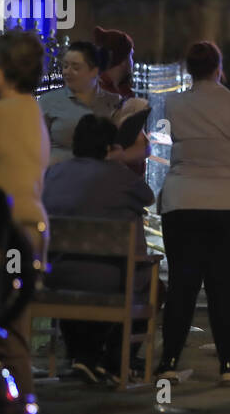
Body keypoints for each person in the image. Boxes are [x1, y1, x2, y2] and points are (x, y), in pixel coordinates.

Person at [156, 41, 230, 386]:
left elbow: (155, 139)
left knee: (182, 285)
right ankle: (228, 366)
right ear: (219, 68)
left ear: (188, 70)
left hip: (182, 201)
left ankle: (169, 361)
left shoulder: (172, 103)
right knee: (221, 286)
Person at [43, 115, 156, 383]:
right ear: (110, 147)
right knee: (150, 285)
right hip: (110, 281)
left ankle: (83, 357)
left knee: (79, 274)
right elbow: (148, 197)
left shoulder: (53, 173)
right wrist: (117, 162)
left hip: (56, 277)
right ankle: (114, 362)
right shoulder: (120, 176)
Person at [0, 30, 53, 405]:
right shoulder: (29, 108)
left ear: (3, 69)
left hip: (5, 232)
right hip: (32, 228)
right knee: (17, 329)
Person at [38, 41, 123, 167]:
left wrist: (116, 156)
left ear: (94, 71)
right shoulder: (48, 101)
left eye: (75, 68)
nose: (67, 72)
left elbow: (140, 148)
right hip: (58, 176)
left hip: (101, 177)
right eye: (65, 66)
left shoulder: (114, 102)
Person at [92, 26, 152, 177]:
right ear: (122, 59)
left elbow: (143, 145)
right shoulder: (100, 93)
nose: (132, 61)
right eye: (130, 55)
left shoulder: (125, 92)